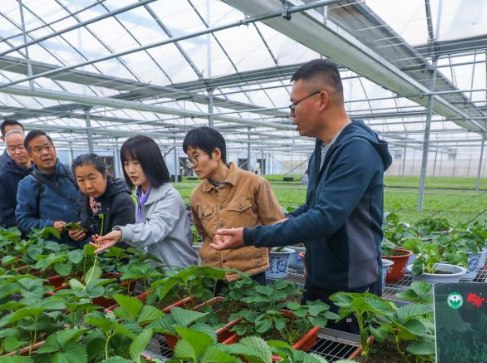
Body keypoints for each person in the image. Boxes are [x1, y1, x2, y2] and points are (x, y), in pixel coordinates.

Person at [213, 59, 392, 332]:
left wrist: (250, 236)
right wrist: (281, 224)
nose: (291, 114)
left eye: (294, 104)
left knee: (343, 361)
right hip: (321, 276)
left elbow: (324, 218)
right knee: (315, 353)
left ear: (321, 99)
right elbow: (312, 208)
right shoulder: (322, 149)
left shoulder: (357, 150)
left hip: (352, 285)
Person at [184, 126, 283, 283]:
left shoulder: (254, 183)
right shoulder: (196, 196)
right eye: (189, 159)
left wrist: (256, 256)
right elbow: (204, 234)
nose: (193, 164)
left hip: (250, 274)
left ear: (216, 153)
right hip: (214, 274)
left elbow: (276, 226)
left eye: (195, 156)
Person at [91, 135, 198, 268]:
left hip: (180, 273)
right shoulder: (140, 194)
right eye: (126, 163)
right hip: (157, 272)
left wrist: (122, 233)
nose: (131, 170)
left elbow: (154, 230)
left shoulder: (169, 196)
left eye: (136, 162)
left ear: (151, 162)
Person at [15, 130, 84, 242]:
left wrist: (84, 225)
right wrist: (50, 226)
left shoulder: (74, 174)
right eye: (38, 149)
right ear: (30, 157)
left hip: (85, 242)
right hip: (54, 250)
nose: (45, 153)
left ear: (54, 150)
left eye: (48, 147)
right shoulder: (28, 184)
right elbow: (23, 221)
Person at [68, 153, 135, 245]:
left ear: (105, 174)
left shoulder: (122, 201)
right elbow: (88, 225)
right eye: (81, 180)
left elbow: (122, 243)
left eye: (92, 178)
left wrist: (89, 242)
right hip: (94, 254)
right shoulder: (83, 197)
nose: (88, 186)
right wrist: (79, 233)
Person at [0, 130, 32, 229]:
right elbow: (6, 211)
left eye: (21, 147)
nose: (18, 152)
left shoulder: (41, 170)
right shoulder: (5, 177)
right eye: (12, 149)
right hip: (26, 230)